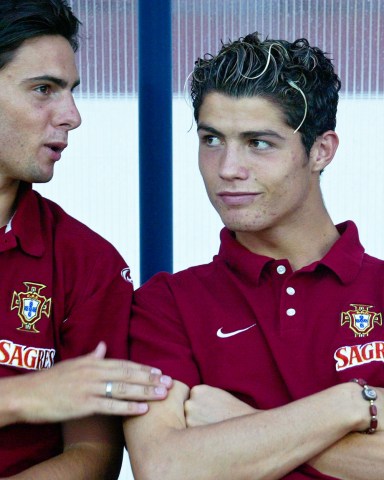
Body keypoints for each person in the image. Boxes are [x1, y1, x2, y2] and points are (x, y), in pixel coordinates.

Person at [124, 32, 384, 479]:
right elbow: (166, 468)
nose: (227, 168)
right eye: (211, 139)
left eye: (258, 143)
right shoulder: (166, 304)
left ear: (321, 150)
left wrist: (235, 426)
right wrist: (356, 404)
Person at [0, 1, 173, 477]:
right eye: (43, 90)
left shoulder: (87, 263)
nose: (72, 116)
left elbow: (93, 456)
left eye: (71, 92)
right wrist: (23, 397)